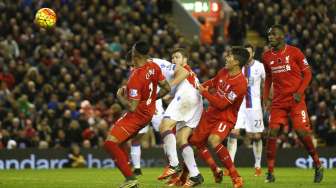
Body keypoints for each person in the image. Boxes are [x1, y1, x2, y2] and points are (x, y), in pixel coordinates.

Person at [103, 41, 171, 188]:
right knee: (118, 142)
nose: (131, 52)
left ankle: (130, 178)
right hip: (147, 113)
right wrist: (151, 99)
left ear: (136, 54)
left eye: (132, 50)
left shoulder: (136, 76)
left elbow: (132, 107)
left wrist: (119, 96)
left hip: (137, 116)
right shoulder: (153, 66)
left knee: (110, 143)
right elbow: (167, 87)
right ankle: (128, 167)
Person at [262, 24, 323, 183]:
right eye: (269, 35)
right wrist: (265, 98)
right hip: (278, 102)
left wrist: (299, 92)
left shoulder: (295, 52)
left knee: (302, 132)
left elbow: (308, 74)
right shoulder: (266, 56)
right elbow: (268, 78)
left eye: (274, 34)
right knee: (272, 132)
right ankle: (270, 172)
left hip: (296, 100)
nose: (270, 37)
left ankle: (317, 164)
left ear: (282, 36)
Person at [189, 47, 250, 188]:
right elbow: (214, 82)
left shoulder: (241, 84)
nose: (226, 58)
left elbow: (222, 104)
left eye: (230, 57)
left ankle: (236, 177)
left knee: (213, 140)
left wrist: (204, 93)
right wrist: (201, 86)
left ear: (236, 62)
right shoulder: (224, 71)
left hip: (225, 117)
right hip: (211, 113)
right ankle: (216, 170)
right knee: (197, 142)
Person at [130, 56, 189, 176]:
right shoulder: (135, 70)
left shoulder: (157, 63)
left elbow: (182, 72)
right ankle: (136, 167)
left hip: (155, 105)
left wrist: (169, 88)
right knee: (137, 136)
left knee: (165, 132)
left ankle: (172, 164)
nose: (132, 66)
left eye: (132, 63)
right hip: (143, 107)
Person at [158, 48, 204, 187]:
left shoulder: (184, 70)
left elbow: (178, 86)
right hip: (196, 103)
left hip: (187, 97)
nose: (173, 60)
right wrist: (169, 95)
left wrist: (167, 90)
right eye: (172, 58)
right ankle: (195, 175)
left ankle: (174, 164)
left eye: (177, 57)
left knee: (164, 126)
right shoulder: (190, 74)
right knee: (181, 140)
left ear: (185, 60)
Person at [227, 43, 265, 176]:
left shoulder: (260, 66)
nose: (247, 55)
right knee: (233, 132)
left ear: (253, 54)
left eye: (249, 53)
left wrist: (266, 100)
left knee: (256, 136)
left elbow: (266, 83)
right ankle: (230, 166)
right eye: (245, 53)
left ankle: (258, 165)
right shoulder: (237, 67)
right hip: (239, 106)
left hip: (254, 106)